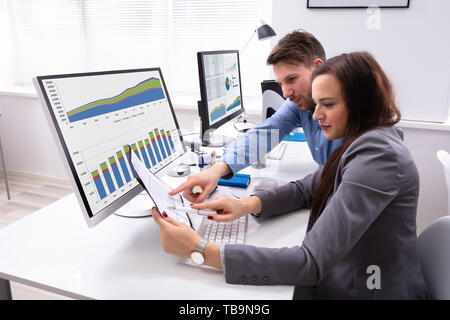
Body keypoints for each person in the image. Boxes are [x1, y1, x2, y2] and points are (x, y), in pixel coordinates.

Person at [153, 51, 428, 299]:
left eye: (328, 105)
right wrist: (246, 205)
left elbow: (309, 263)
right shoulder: (361, 142)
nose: (316, 115)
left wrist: (200, 250)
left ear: (361, 104)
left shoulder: (378, 156)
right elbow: (307, 188)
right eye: (317, 104)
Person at [169, 30, 343, 203]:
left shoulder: (352, 112)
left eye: (292, 79)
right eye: (281, 83)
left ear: (318, 67)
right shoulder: (300, 103)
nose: (285, 92)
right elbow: (266, 132)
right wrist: (218, 169)